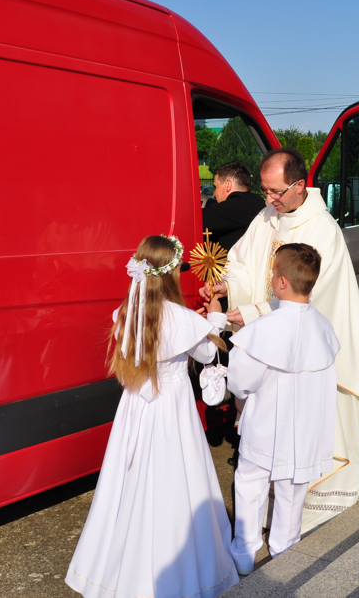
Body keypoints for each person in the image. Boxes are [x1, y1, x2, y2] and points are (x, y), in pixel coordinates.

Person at [199, 147, 359, 532]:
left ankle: (318, 500)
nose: (269, 199)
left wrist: (252, 313)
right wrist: (227, 285)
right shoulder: (268, 216)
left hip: (306, 353)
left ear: (299, 185)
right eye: (266, 190)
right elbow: (242, 264)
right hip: (272, 344)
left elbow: (310, 298)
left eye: (276, 191)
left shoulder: (322, 230)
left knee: (307, 430)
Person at [66, 235, 238, 598]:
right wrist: (215, 315)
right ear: (172, 272)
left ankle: (113, 567)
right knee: (176, 476)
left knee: (127, 476)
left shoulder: (127, 313)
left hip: (135, 407)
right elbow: (208, 355)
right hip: (172, 408)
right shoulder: (183, 319)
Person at [225, 244, 338, 575]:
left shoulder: (262, 330)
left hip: (265, 425)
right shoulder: (324, 327)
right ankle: (285, 551)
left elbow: (240, 383)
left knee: (250, 484)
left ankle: (244, 552)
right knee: (292, 492)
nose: (271, 277)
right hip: (305, 431)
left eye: (273, 272)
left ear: (282, 282)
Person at [202, 161, 268, 254]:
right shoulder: (253, 202)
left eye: (216, 187)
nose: (214, 195)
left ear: (228, 185)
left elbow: (200, 220)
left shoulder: (243, 204)